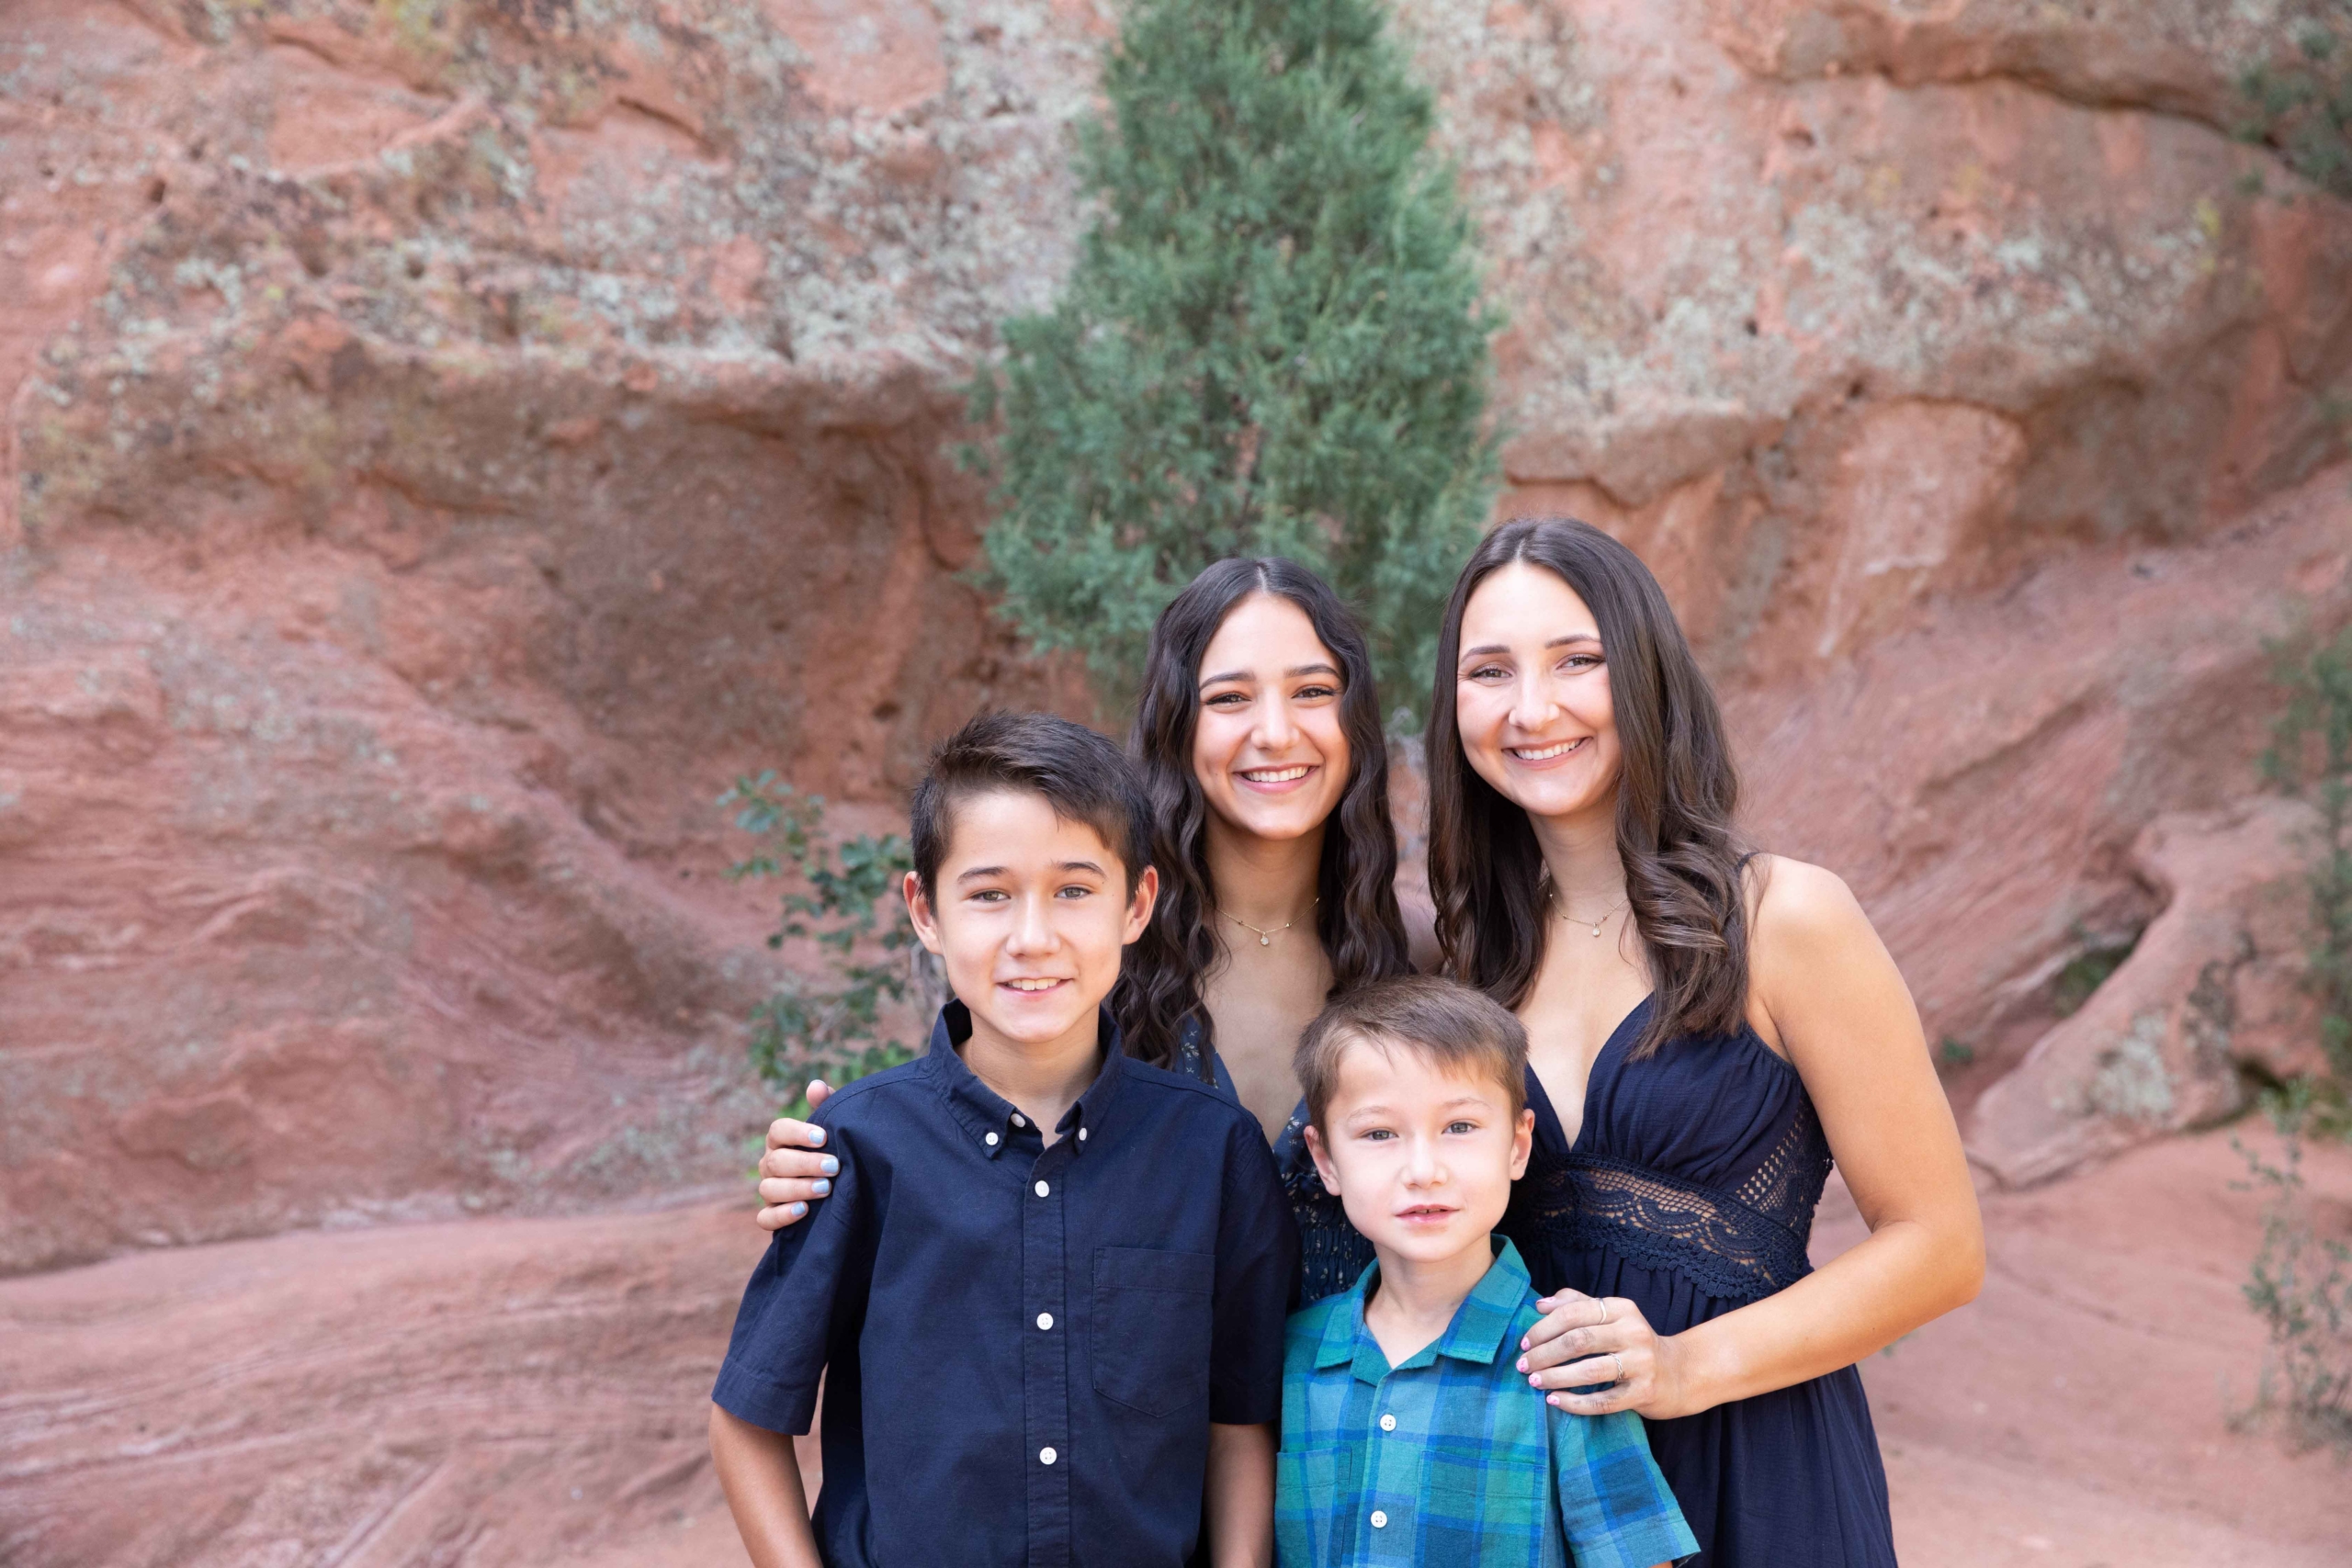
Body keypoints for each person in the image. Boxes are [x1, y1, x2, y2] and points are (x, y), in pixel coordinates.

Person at [1415, 519, 1984, 1565]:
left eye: (1575, 661)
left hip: (1758, 1467)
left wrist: (1682, 1368)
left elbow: (1940, 1247)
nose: (1530, 709)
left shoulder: (1786, 920)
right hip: (1534, 1491)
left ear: (1642, 674)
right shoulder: (1459, 970)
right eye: (1488, 671)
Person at [707, 712, 1296, 1568]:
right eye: (989, 893)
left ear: (1136, 904)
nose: (1032, 936)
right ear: (926, 910)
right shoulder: (857, 1150)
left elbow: (1238, 1422)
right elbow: (747, 1420)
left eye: (1074, 889)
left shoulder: (1211, 1152)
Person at [1279, 975, 1694, 1568]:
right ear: (1326, 1159)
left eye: (1459, 1127)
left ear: (1518, 1144)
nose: (1423, 1169)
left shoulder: (1565, 1356)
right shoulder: (1295, 1351)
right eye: (1379, 1133)